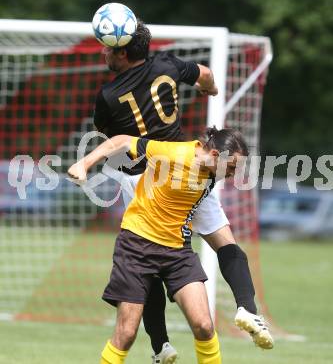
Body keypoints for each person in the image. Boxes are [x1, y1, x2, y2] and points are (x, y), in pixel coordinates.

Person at [93, 19, 273, 362]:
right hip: (190, 170)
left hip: (145, 176)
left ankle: (160, 344)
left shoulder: (108, 96)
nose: (103, 53)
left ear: (120, 49)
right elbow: (205, 75)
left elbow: (111, 139)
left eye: (107, 47)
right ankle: (247, 308)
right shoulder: (166, 63)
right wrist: (210, 90)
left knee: (149, 257)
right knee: (226, 244)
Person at [68, 126, 250, 364]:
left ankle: (161, 345)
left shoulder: (211, 171)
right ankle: (159, 345)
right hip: (136, 247)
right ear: (215, 156)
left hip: (177, 252)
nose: (234, 174)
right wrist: (85, 163)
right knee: (126, 334)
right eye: (233, 167)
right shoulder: (172, 154)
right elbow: (122, 140)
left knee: (204, 326)